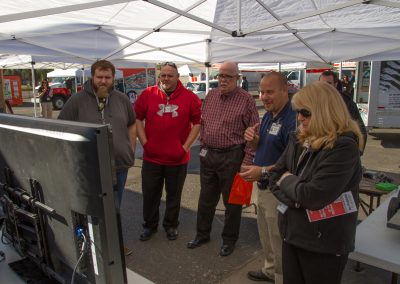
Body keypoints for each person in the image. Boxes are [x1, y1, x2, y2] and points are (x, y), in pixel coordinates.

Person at [270, 81, 363, 284]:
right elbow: (274, 177)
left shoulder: (344, 147)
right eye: (297, 111)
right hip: (293, 233)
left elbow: (313, 196)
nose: (299, 117)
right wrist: (297, 196)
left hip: (324, 244)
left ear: (324, 110)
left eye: (305, 112)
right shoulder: (299, 138)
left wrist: (290, 183)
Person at [187, 61, 259, 256]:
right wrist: (203, 146)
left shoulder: (246, 100)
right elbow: (203, 123)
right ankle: (202, 234)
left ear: (238, 78)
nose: (224, 80)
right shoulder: (211, 95)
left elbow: (254, 132)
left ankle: (229, 239)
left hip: (232, 155)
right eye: (221, 76)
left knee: (232, 202)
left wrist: (247, 160)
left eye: (228, 76)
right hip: (208, 154)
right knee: (206, 199)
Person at [134, 62, 202, 241]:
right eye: (163, 75)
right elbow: (137, 119)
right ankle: (149, 225)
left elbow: (197, 123)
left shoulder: (190, 97)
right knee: (150, 194)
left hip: (178, 159)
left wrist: (185, 147)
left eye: (169, 75)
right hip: (151, 157)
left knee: (174, 195)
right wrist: (145, 143)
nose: (165, 78)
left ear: (177, 77)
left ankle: (171, 225)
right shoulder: (148, 94)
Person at [240, 72, 296, 283]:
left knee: (278, 237)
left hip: (279, 189)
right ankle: (270, 270)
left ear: (285, 90)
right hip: (263, 185)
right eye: (262, 91)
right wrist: (253, 140)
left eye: (269, 92)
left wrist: (261, 170)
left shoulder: (293, 119)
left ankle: (281, 277)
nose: (263, 96)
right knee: (266, 234)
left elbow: (293, 163)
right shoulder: (268, 115)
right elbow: (262, 145)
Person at [58, 60, 136, 208]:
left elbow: (132, 123)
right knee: (93, 210)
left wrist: (130, 149)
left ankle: (114, 231)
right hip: (89, 168)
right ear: (92, 77)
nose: (103, 81)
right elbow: (62, 128)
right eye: (99, 77)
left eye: (107, 77)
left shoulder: (122, 99)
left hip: (119, 166)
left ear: (113, 78)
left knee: (115, 208)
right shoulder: (77, 100)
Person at [319, 70, 367, 154]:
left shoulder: (346, 102)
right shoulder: (313, 101)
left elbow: (360, 128)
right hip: (320, 148)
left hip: (341, 149)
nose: (325, 87)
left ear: (335, 84)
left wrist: (359, 152)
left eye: (329, 83)